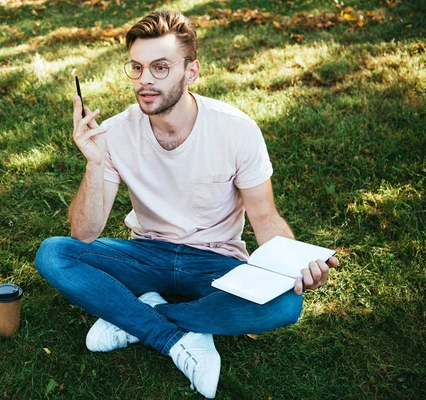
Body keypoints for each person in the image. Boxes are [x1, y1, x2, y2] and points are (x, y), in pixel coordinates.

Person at [35, 10, 339, 399]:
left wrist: (293, 263)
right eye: (137, 67)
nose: (145, 79)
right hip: (145, 254)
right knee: (54, 252)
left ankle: (136, 317)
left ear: (191, 72)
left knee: (284, 307)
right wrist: (94, 164)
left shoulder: (236, 129)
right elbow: (84, 233)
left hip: (214, 262)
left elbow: (265, 217)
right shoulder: (114, 132)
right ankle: (176, 336)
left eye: (161, 67)